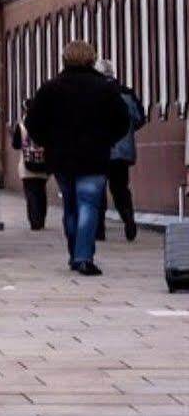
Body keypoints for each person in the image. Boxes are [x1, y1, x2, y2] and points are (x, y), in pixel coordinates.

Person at [24, 40, 132, 276]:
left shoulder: (50, 88)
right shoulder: (105, 89)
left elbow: (32, 123)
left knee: (71, 206)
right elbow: (123, 122)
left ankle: (75, 253)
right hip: (95, 156)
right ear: (91, 59)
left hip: (62, 158)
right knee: (89, 205)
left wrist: (48, 142)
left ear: (64, 58)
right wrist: (107, 140)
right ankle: (84, 257)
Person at [97, 58, 147, 243]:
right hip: (123, 151)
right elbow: (140, 118)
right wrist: (127, 134)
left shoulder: (95, 93)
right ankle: (128, 218)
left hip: (100, 150)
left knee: (98, 189)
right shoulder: (127, 93)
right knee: (120, 188)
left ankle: (99, 230)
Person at [9, 95, 51, 231]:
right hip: (44, 163)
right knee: (41, 192)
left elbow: (15, 145)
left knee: (31, 193)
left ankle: (34, 221)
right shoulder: (46, 124)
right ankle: (41, 218)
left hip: (26, 165)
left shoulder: (21, 126)